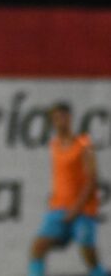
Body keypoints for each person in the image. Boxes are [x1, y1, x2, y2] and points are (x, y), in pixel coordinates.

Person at [28, 102, 107, 276]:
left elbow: (92, 180)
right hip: (58, 208)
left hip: (83, 210)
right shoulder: (54, 145)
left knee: (89, 255)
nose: (60, 121)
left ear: (70, 118)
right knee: (38, 247)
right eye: (56, 118)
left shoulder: (84, 144)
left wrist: (76, 209)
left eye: (63, 116)